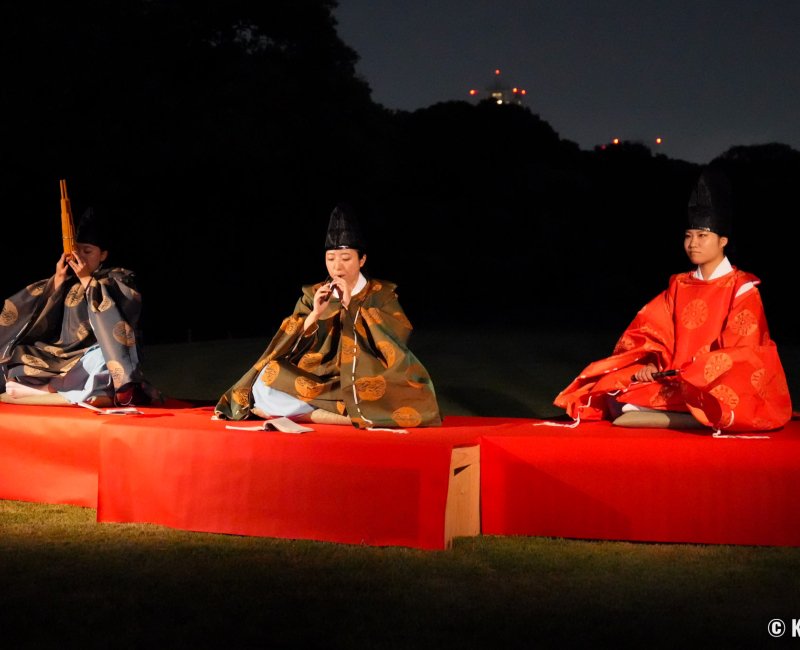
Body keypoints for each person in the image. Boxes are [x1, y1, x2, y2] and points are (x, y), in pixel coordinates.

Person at [553, 167, 792, 432]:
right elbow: (653, 331)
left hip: (716, 380)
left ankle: (696, 414)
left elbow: (745, 349)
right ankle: (693, 418)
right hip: (673, 376)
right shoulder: (679, 284)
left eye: (702, 236)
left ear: (722, 240)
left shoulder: (742, 288)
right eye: (688, 236)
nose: (693, 243)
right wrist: (652, 362)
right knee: (613, 394)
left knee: (717, 400)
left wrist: (698, 373)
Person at [215, 204, 442, 429]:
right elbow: (288, 346)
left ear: (361, 260)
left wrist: (350, 306)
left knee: (408, 392)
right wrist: (315, 314)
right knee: (266, 378)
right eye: (331, 258)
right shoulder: (314, 293)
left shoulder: (381, 294)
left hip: (361, 376)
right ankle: (336, 415)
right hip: (318, 377)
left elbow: (396, 338)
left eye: (345, 258)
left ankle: (314, 414)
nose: (337, 266)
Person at [0, 207, 157, 406]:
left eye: (88, 251)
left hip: (92, 354)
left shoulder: (119, 277)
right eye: (77, 251)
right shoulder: (68, 282)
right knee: (18, 353)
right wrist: (57, 279)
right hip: (63, 356)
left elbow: (118, 325)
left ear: (103, 255)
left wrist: (87, 281)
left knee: (103, 361)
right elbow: (39, 316)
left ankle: (44, 391)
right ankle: (62, 391)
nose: (80, 257)